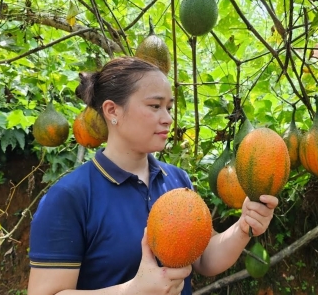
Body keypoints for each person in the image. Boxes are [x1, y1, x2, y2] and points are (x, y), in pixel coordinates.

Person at [27, 56, 278, 294]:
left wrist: (244, 226)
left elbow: (204, 258)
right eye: (155, 106)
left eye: (169, 107)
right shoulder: (70, 197)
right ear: (112, 111)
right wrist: (132, 292)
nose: (168, 118)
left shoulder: (178, 181)